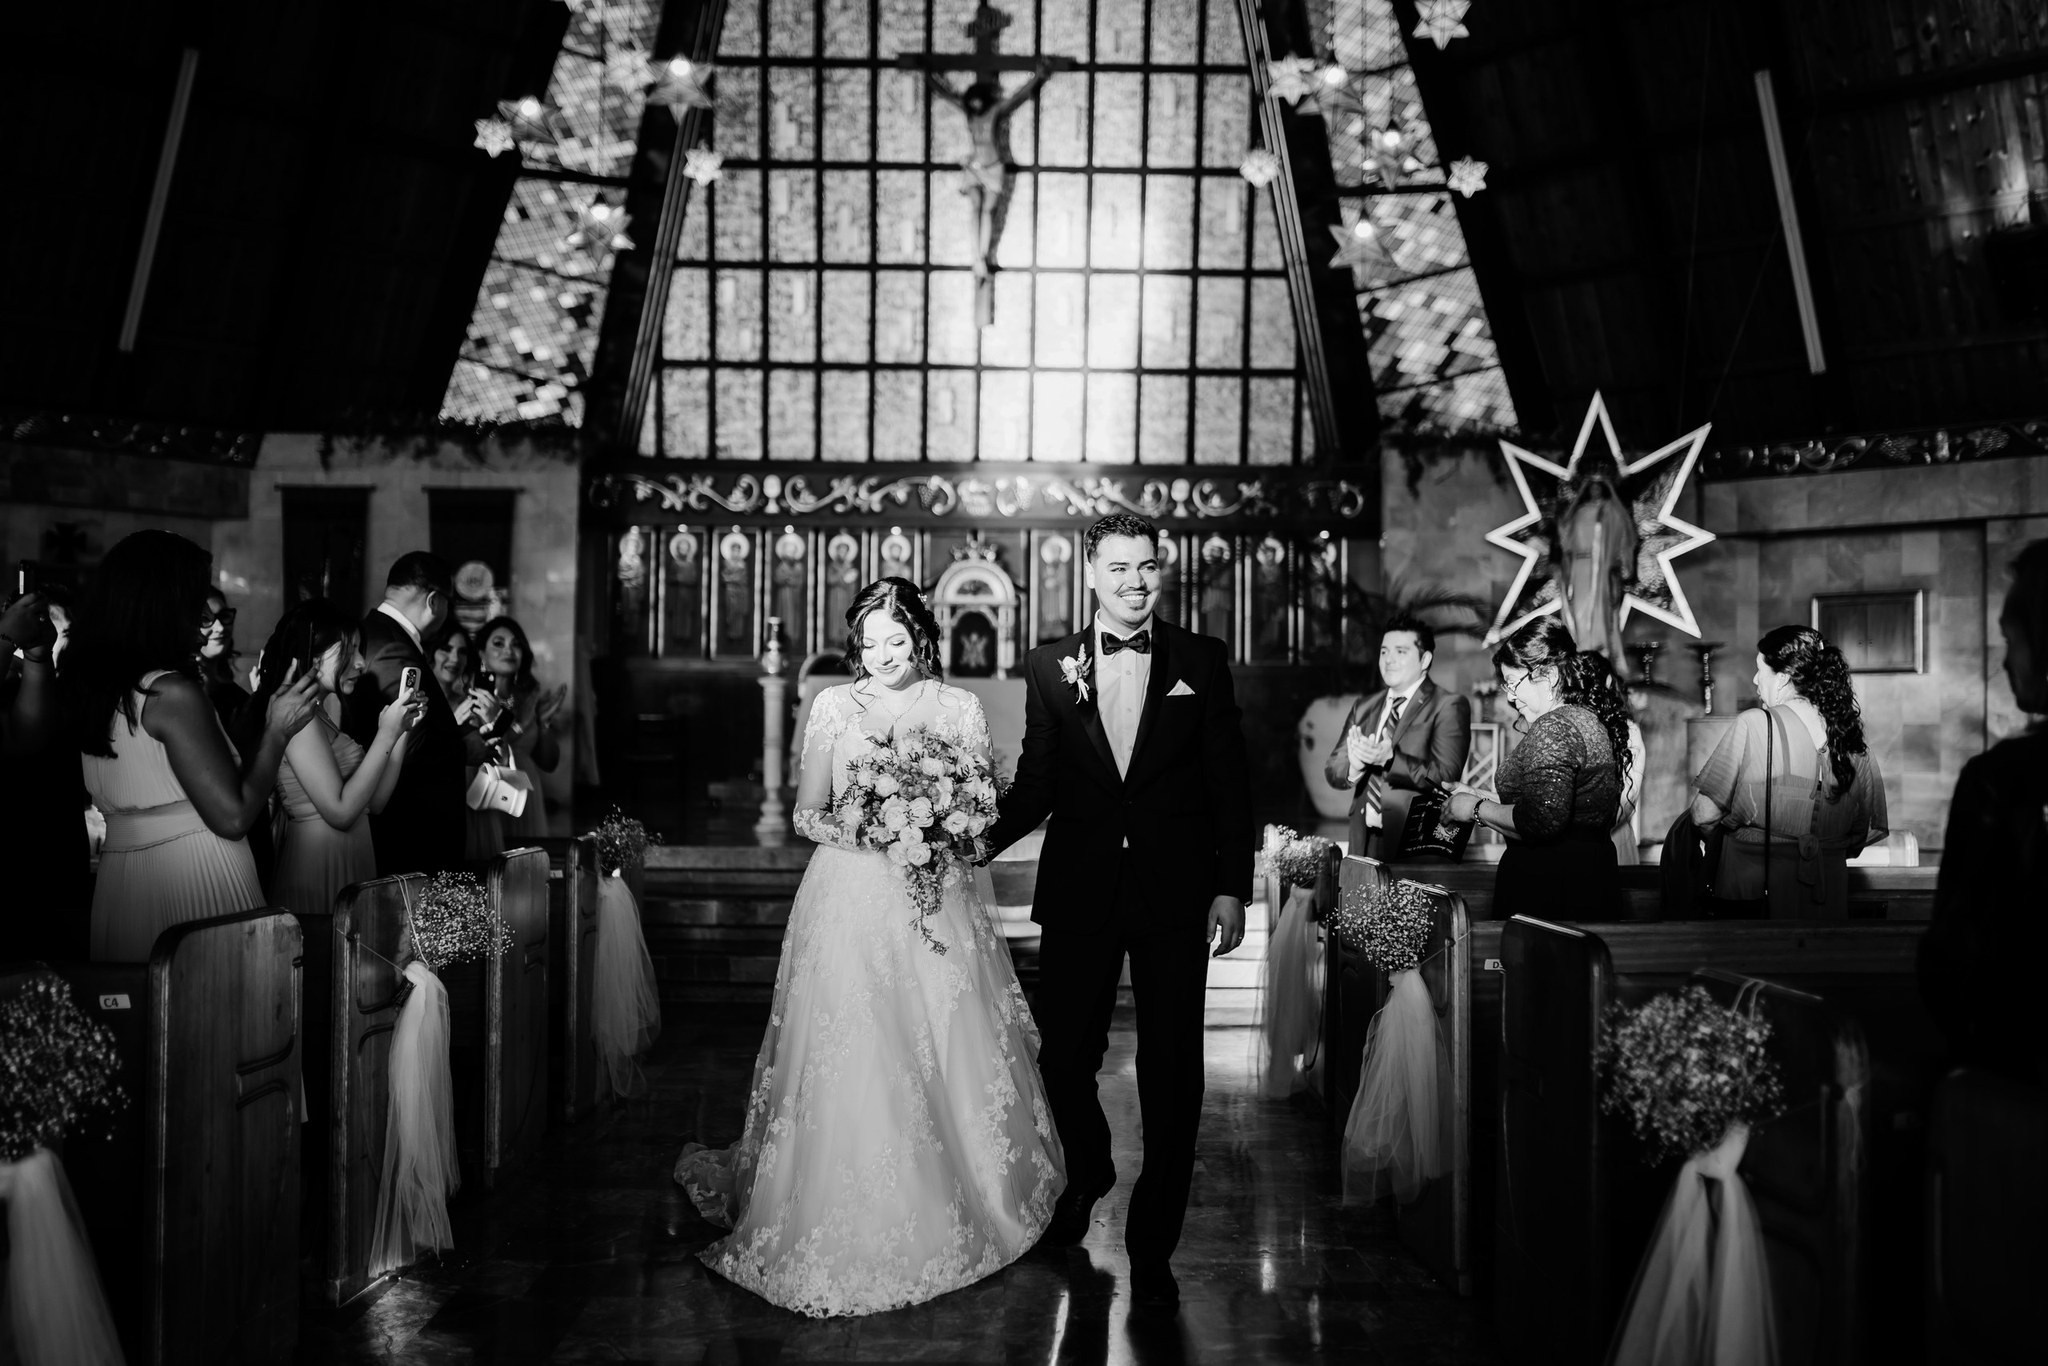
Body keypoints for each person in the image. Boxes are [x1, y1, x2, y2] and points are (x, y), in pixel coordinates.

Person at [674, 578, 1063, 1317]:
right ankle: (835, 1202)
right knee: (856, 1047)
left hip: (936, 900)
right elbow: (807, 814)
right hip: (849, 897)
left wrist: (945, 826)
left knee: (944, 1038)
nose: (881, 655)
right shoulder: (831, 707)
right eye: (869, 642)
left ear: (921, 636)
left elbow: (981, 812)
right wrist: (879, 830)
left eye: (896, 639)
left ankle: (973, 1192)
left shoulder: (959, 709)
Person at [985, 512, 1254, 1313]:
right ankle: (1092, 1162)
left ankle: (1152, 1238)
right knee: (1064, 1057)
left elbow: (1227, 783)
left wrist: (1231, 884)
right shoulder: (1047, 665)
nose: (1138, 582)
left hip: (1178, 891)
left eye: (1149, 568)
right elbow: (1037, 783)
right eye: (1122, 569)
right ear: (1093, 573)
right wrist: (970, 843)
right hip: (1081, 888)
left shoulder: (1201, 661)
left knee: (1175, 1069)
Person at [65, 531, 320, 961]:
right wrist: (278, 730)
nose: (206, 617)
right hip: (196, 879)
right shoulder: (172, 693)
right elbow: (234, 815)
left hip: (124, 884)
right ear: (164, 605)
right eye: (196, 601)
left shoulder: (98, 690)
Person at [1921, 540, 2047, 1079]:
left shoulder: (2003, 779)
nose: (2004, 659)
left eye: (2010, 639)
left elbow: (1957, 959)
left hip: (2020, 1072)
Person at [1688, 625, 1887, 917]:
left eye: (1760, 670)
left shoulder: (1756, 725)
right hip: (1827, 895)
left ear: (1782, 679)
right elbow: (1858, 835)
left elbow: (1703, 814)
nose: (1755, 680)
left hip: (1756, 891)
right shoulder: (1847, 736)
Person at [1446, 618, 1628, 921]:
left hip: (1550, 890)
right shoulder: (1583, 718)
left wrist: (1474, 808)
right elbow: (1554, 803)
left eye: (1515, 683)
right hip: (1585, 879)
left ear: (1550, 676)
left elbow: (1540, 820)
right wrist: (1476, 793)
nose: (1510, 696)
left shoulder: (1554, 727)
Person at [255, 601, 423, 920]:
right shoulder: (295, 715)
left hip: (351, 857)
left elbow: (374, 802)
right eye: (351, 650)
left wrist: (400, 731)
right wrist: (385, 735)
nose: (361, 663)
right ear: (316, 655)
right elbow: (340, 812)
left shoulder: (322, 711)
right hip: (318, 865)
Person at [343, 553, 464, 876]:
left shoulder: (373, 633)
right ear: (434, 601)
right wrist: (463, 748)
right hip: (413, 828)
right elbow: (412, 744)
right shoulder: (394, 648)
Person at [1322, 614, 1473, 858]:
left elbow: (1445, 777)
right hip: (1363, 840)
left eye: (1400, 652)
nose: (1388, 660)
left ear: (1424, 659)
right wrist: (1356, 766)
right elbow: (1333, 769)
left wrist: (1390, 760)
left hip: (1414, 843)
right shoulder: (1365, 706)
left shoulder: (1448, 705)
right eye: (1384, 652)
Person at [1, 589, 91, 957]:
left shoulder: (72, 692)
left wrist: (38, 656)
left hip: (54, 852)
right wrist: (5, 638)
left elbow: (29, 739)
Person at [475, 615, 568, 842]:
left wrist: (544, 725)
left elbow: (549, 763)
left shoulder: (530, 698)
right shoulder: (473, 697)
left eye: (516, 644)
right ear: (481, 653)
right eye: (498, 643)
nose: (508, 650)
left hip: (525, 794)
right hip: (486, 793)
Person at [428, 621, 506, 861]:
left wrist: (494, 722)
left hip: (478, 800)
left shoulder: (473, 701)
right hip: (438, 801)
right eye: (446, 648)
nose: (454, 658)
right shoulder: (422, 701)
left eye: (462, 651)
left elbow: (497, 756)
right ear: (430, 652)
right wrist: (452, 726)